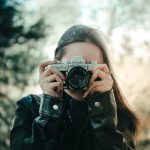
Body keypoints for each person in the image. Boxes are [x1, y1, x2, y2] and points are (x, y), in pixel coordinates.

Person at [10, 24, 140, 150]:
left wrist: (103, 112)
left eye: (88, 66)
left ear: (104, 70)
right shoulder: (29, 107)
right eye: (72, 66)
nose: (78, 73)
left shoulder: (116, 114)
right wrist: (50, 110)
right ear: (56, 65)